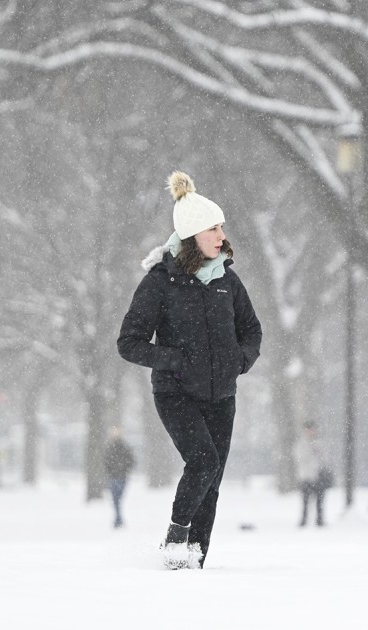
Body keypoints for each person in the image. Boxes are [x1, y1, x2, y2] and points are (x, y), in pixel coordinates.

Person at [117, 171, 263, 569]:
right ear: (192, 235)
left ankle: (194, 559)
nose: (221, 235)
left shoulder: (227, 282)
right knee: (203, 461)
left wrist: (240, 361)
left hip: (222, 396)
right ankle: (176, 538)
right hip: (175, 393)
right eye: (213, 228)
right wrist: (174, 360)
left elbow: (251, 330)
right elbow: (128, 342)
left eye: (222, 227)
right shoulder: (160, 282)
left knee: (212, 481)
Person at [293, 421, 328, 528]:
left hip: (318, 476)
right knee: (305, 501)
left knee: (320, 501)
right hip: (306, 476)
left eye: (312, 429)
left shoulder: (320, 443)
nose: (310, 432)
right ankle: (304, 520)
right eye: (308, 430)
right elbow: (300, 458)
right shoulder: (301, 444)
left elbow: (325, 459)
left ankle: (320, 520)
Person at [103, 426, 135, 529]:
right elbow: (106, 461)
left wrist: (123, 468)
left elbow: (131, 461)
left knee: (118, 499)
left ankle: (118, 520)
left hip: (122, 477)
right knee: (115, 499)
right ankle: (118, 520)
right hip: (113, 477)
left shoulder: (124, 447)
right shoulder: (110, 448)